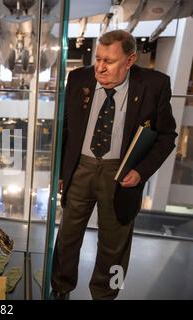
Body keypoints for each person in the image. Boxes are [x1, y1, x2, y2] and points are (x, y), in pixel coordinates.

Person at [51, 30, 177, 300]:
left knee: (115, 246)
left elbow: (167, 137)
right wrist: (64, 171)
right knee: (67, 238)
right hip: (81, 169)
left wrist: (141, 172)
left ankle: (106, 295)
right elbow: (66, 129)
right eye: (98, 58)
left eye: (109, 61)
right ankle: (60, 288)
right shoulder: (78, 78)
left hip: (120, 174)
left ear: (130, 60)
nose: (100, 67)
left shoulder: (155, 85)